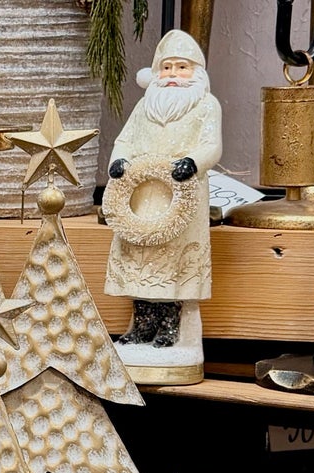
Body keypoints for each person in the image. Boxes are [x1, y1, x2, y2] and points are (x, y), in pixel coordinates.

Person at [103, 30, 220, 386]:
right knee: (141, 262)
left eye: (181, 67)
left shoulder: (206, 105)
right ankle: (142, 326)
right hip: (141, 199)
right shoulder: (145, 107)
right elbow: (125, 138)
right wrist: (119, 161)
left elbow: (211, 145)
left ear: (195, 71)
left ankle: (170, 326)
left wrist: (192, 162)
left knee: (172, 262)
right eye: (167, 67)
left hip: (181, 198)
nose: (173, 74)